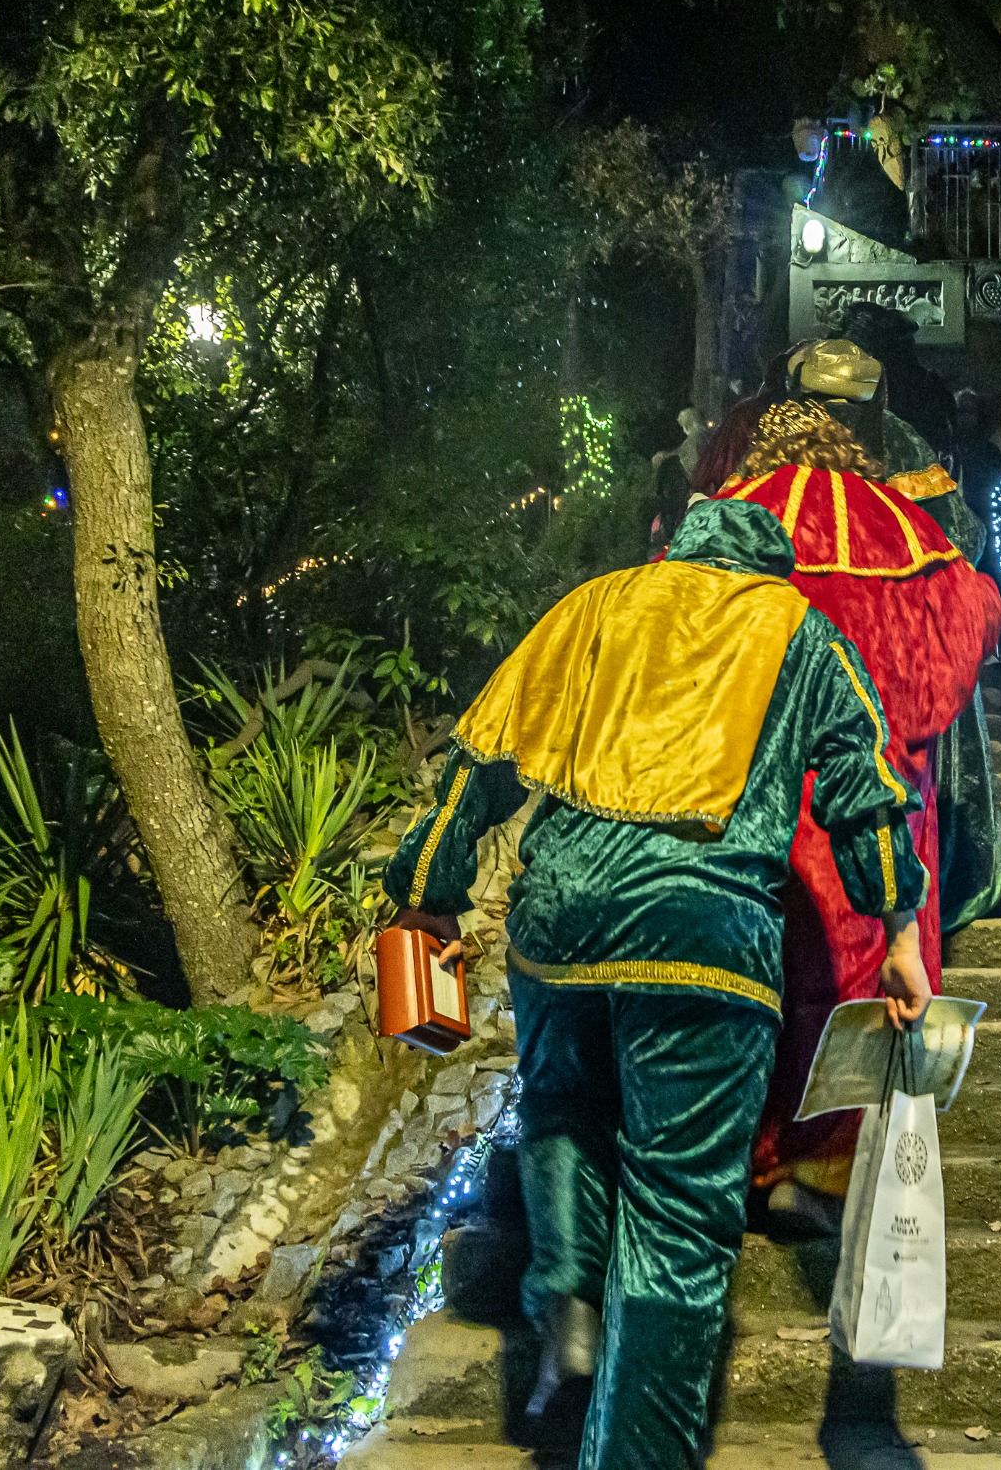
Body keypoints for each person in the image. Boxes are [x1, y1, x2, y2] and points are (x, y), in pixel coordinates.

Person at [386, 497, 931, 1470]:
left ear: (680, 547)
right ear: (770, 565)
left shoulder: (593, 605)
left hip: (559, 923)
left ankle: (567, 1297)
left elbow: (481, 756)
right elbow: (866, 788)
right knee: (678, 1213)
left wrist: (428, 890)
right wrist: (897, 929)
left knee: (562, 1108)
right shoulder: (800, 630)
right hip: (703, 940)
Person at [709, 401, 1001, 1232]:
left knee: (756, 973)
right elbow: (975, 612)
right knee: (864, 974)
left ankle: (733, 1157)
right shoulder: (903, 523)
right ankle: (829, 1166)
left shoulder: (733, 518)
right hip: (876, 799)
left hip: (751, 794)